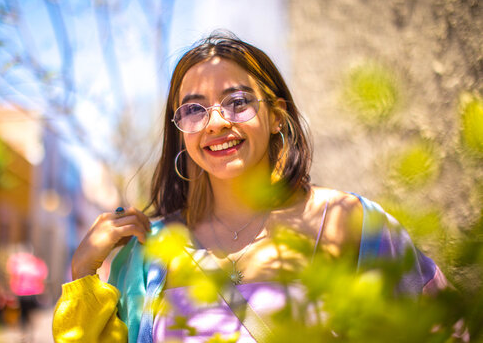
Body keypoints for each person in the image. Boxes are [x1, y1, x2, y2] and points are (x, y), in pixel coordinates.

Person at [52, 31, 448, 342]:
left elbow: (440, 330)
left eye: (237, 101)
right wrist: (82, 274)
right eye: (193, 109)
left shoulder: (351, 224)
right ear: (181, 131)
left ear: (277, 116)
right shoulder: (149, 252)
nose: (215, 122)